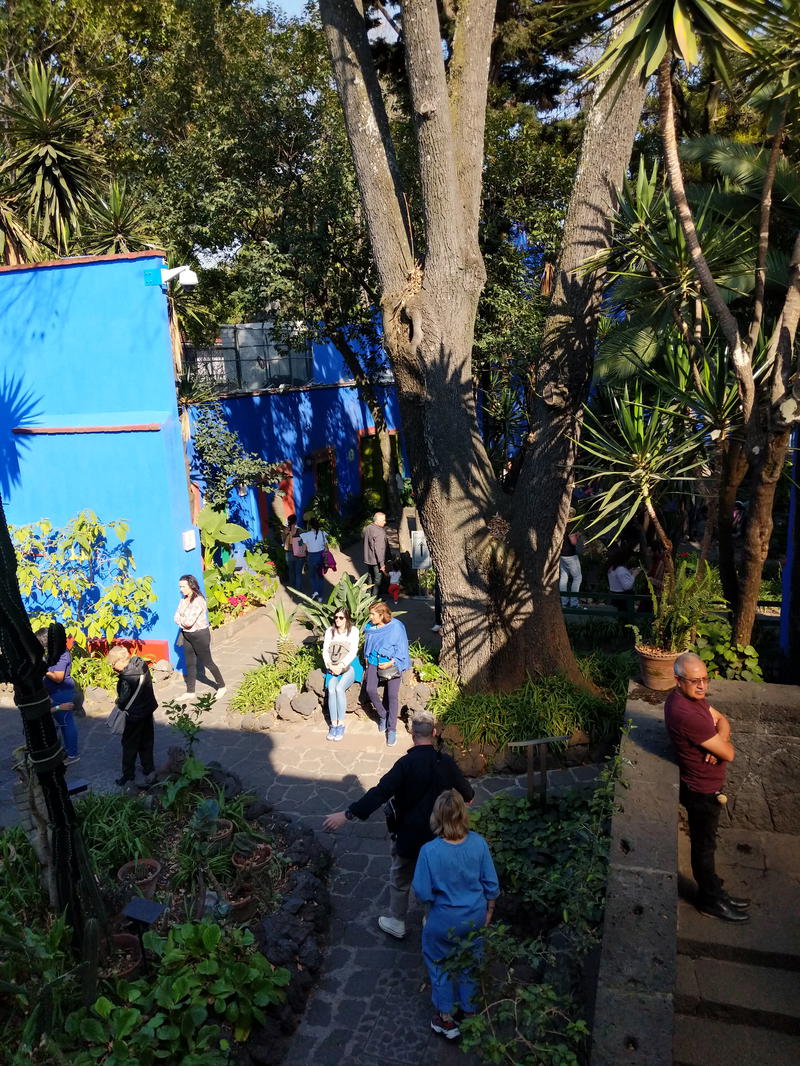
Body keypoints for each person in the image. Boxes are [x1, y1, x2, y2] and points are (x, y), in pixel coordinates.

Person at [322, 710, 475, 940]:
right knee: (436, 878)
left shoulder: (405, 764)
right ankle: (430, 918)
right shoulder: (445, 762)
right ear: (433, 733)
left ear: (413, 734)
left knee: (401, 878)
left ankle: (397, 920)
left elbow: (380, 793)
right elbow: (468, 793)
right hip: (439, 834)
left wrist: (347, 814)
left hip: (408, 835)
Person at [664, 652, 749, 923]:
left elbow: (723, 719)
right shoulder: (686, 712)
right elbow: (731, 754)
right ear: (678, 680)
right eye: (694, 681)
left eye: (705, 679)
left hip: (706, 785)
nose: (702, 686)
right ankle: (709, 900)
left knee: (707, 844)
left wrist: (720, 739)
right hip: (701, 790)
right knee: (703, 846)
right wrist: (723, 747)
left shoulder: (692, 700)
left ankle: (715, 890)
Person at [412, 789, 500, 1040]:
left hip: (443, 919)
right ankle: (470, 1013)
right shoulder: (479, 843)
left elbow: (422, 891)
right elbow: (491, 883)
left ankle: (446, 1018)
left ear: (437, 817)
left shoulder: (429, 851)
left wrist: (430, 910)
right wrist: (489, 909)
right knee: (470, 964)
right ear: (463, 814)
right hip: (474, 916)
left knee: (438, 964)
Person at [107, 646, 158, 788]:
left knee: (129, 745)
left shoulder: (126, 678)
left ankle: (128, 775)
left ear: (119, 661)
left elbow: (123, 700)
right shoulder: (141, 664)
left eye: (113, 663)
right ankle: (149, 769)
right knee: (147, 741)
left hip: (133, 716)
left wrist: (118, 702)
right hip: (147, 710)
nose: (112, 666)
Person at [363, 600, 410, 745]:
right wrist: (367, 660)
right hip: (373, 661)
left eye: (373, 614)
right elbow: (368, 645)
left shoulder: (396, 627)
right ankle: (383, 715)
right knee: (370, 689)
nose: (370, 617)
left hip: (392, 663)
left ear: (382, 615)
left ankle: (392, 729)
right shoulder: (370, 627)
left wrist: (391, 662)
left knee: (392, 696)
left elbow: (402, 648)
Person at [174, 575, 226, 700]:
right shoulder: (183, 599)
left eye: (183, 586)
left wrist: (182, 620)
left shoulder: (199, 601)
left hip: (200, 635)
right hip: (187, 635)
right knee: (190, 663)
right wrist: (182, 620)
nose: (181, 589)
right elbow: (175, 617)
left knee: (208, 662)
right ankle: (190, 691)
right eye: (180, 586)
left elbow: (188, 622)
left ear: (191, 585)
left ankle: (222, 686)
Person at [39, 623, 79, 765]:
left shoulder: (62, 654)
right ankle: (65, 750)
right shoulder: (54, 652)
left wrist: (43, 669)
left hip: (62, 692)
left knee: (66, 724)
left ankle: (72, 754)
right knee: (61, 723)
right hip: (54, 692)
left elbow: (58, 677)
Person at [322, 606, 362, 741]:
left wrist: (341, 666)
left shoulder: (353, 631)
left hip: (348, 667)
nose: (338, 620)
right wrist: (329, 664)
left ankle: (341, 723)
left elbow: (353, 652)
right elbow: (325, 650)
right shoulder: (330, 631)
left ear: (346, 618)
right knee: (331, 690)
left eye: (341, 617)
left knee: (339, 689)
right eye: (336, 617)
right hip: (332, 667)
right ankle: (333, 725)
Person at [300, 518, 328, 601]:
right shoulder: (322, 533)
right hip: (321, 556)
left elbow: (304, 548)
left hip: (311, 557)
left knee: (312, 576)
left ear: (310, 525)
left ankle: (315, 591)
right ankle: (320, 596)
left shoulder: (306, 535)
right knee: (320, 576)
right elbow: (326, 548)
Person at [559, 511, 582, 608]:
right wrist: (578, 535)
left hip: (561, 554)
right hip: (570, 555)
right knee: (577, 577)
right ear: (572, 516)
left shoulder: (561, 524)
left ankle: (564, 602)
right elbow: (573, 542)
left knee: (564, 577)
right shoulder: (571, 525)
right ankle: (574, 602)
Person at [607, 549, 640, 616]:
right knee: (625, 618)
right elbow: (627, 586)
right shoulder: (620, 569)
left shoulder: (612, 568)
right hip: (623, 599)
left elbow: (619, 579)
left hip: (615, 596)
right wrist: (634, 574)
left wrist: (629, 572)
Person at [363, 510, 388, 594]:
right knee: (377, 580)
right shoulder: (380, 532)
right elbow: (379, 549)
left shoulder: (368, 528)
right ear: (377, 520)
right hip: (376, 560)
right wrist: (382, 564)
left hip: (369, 559)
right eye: (383, 520)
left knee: (370, 577)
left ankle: (367, 597)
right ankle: (374, 600)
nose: (385, 522)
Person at [283, 514, 305, 590]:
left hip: (288, 553)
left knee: (291, 571)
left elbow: (283, 541)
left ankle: (292, 587)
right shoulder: (300, 531)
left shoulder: (285, 531)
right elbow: (303, 543)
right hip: (299, 553)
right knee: (298, 572)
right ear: (295, 521)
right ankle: (298, 589)